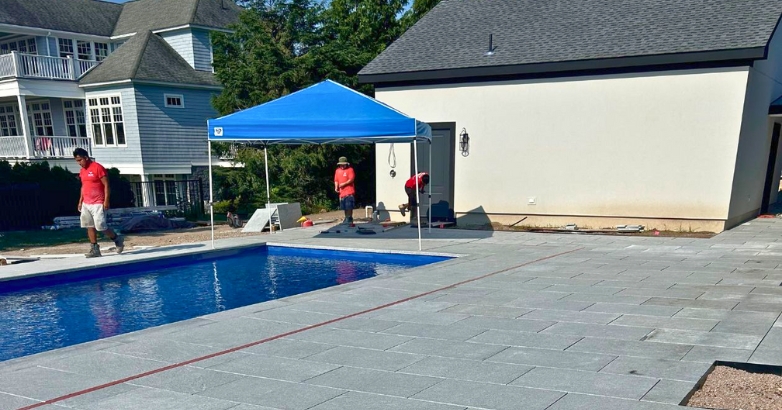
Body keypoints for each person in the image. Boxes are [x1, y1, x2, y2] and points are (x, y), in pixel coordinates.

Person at [74, 148, 124, 258]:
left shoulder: (97, 168)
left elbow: (106, 185)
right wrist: (80, 201)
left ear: (86, 158)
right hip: (87, 202)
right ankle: (94, 248)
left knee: (100, 226)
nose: (79, 163)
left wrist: (106, 200)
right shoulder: (82, 171)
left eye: (80, 160)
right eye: (77, 161)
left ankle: (116, 238)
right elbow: (83, 187)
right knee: (89, 226)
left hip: (98, 202)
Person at [334, 156, 355, 224]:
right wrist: (336, 187)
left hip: (349, 191)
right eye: (341, 165)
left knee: (349, 206)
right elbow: (336, 180)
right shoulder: (337, 170)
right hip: (341, 192)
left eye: (343, 165)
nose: (342, 166)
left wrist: (344, 184)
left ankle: (349, 218)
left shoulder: (350, 169)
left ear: (346, 164)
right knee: (344, 206)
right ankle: (346, 217)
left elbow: (351, 179)